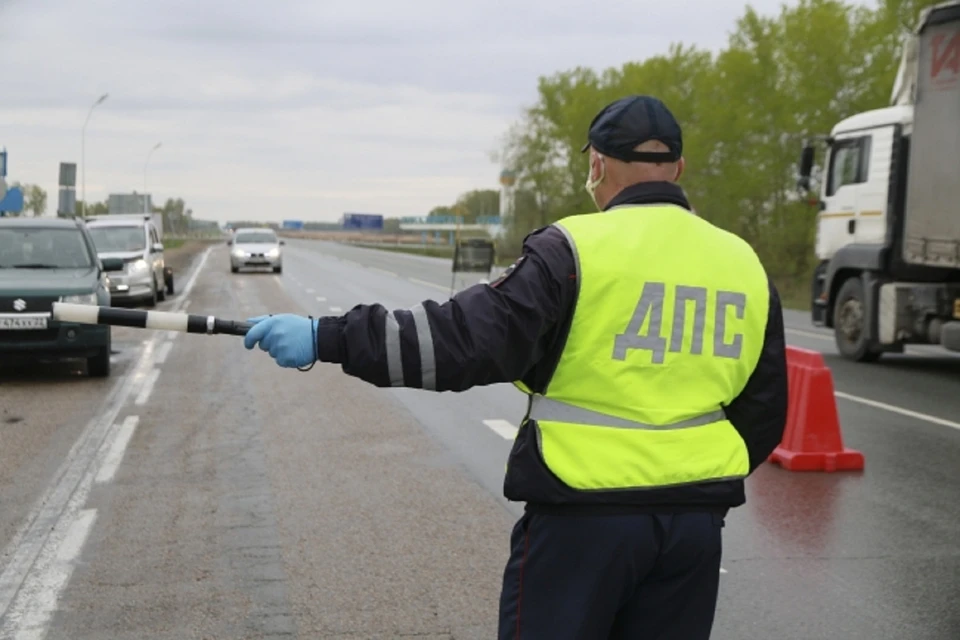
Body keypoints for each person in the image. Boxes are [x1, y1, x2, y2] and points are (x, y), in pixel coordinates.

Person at [244, 95, 788, 640]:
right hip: (693, 532)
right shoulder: (742, 262)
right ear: (679, 168)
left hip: (581, 520)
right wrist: (700, 487)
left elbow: (457, 341)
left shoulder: (572, 250)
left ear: (596, 164)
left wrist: (328, 337)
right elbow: (764, 409)